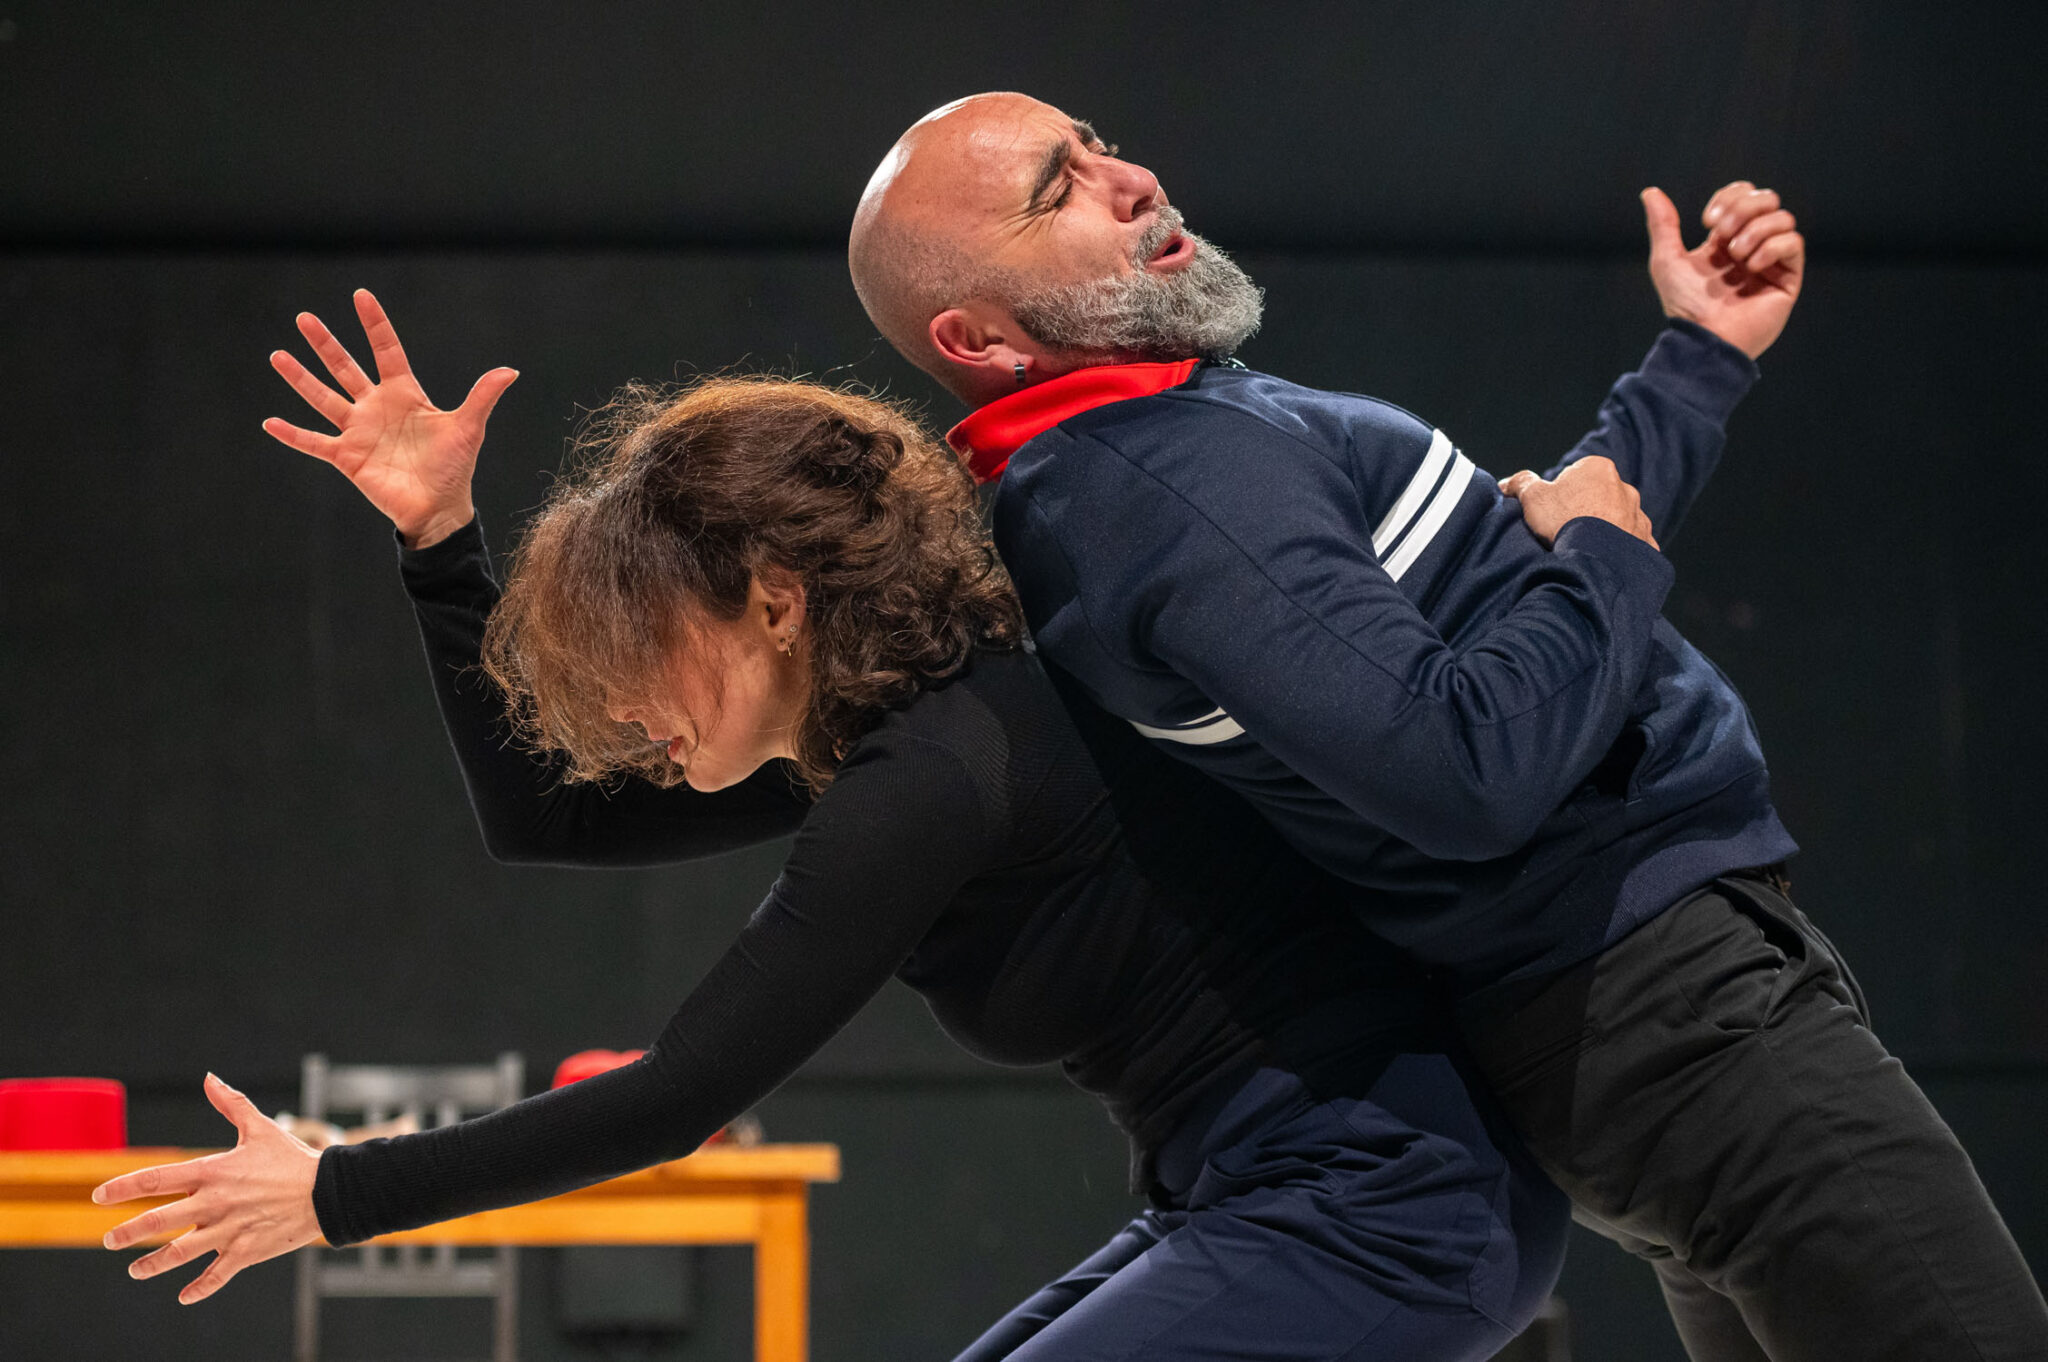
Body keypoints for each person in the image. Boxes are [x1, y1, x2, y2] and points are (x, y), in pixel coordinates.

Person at [96, 292, 1580, 1361]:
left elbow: (679, 1094)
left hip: (1385, 1206)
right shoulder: (913, 722)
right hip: (1285, 1198)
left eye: (642, 649)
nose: (624, 704)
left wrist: (337, 1190)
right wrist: (438, 544)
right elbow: (546, 815)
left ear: (774, 600)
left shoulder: (938, 769)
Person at [847, 93, 2048, 1361]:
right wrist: (1600, 560)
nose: (1131, 178)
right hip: (1662, 1007)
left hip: (1651, 1009)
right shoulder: (1151, 484)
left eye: (1099, 146)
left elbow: (1525, 578)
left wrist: (1697, 356)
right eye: (1061, 188)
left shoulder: (1164, 444)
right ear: (977, 338)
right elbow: (1467, 768)